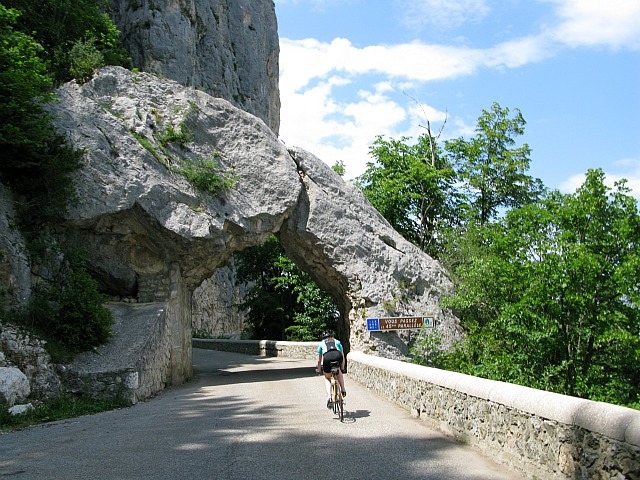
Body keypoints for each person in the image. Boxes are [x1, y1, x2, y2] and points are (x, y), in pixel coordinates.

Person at [316, 330, 347, 409]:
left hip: (327, 357)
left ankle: (329, 397)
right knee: (339, 370)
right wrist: (342, 368)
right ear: (332, 336)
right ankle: (343, 389)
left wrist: (318, 369)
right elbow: (343, 357)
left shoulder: (321, 344)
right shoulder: (338, 342)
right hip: (338, 356)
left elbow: (319, 360)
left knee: (327, 377)